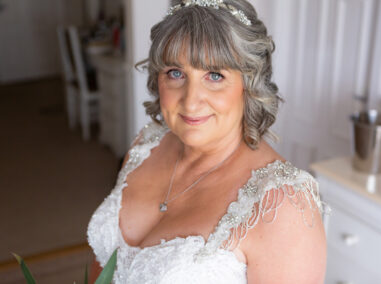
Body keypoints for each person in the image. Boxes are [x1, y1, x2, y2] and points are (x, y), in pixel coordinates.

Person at [87, 0, 327, 283]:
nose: (190, 100)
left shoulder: (284, 205)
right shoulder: (144, 147)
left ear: (249, 85)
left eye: (215, 75)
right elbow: (102, 263)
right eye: (175, 73)